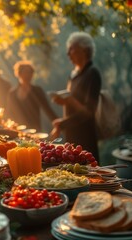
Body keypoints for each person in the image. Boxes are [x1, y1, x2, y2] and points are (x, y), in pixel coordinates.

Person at [50, 32, 102, 161]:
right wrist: (64, 101)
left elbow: (89, 112)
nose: (68, 53)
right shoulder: (74, 75)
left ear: (84, 50)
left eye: (72, 48)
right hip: (72, 133)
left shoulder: (92, 73)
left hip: (85, 137)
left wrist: (63, 122)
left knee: (88, 174)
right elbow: (74, 103)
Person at [6, 60, 57, 131]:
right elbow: (9, 113)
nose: (29, 75)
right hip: (17, 130)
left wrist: (58, 122)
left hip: (35, 129)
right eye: (26, 72)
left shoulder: (37, 91)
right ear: (19, 73)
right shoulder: (12, 93)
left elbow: (47, 109)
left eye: (31, 72)